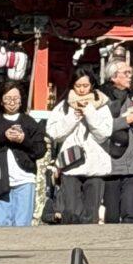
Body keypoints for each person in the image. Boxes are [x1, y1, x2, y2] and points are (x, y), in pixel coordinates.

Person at [0, 83, 47, 228]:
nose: (12, 102)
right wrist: (3, 136)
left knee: (22, 224)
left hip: (25, 179)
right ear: (1, 100)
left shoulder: (29, 122)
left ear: (21, 100)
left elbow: (40, 149)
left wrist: (23, 140)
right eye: (8, 99)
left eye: (15, 98)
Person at [46, 72, 113, 224]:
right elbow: (53, 133)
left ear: (92, 85)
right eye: (78, 86)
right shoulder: (63, 106)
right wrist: (73, 117)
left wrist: (89, 112)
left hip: (95, 165)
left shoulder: (102, 106)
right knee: (70, 211)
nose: (82, 90)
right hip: (71, 165)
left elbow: (104, 133)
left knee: (91, 213)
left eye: (85, 86)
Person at [102, 80, 133, 223]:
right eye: (125, 73)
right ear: (113, 76)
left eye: (130, 73)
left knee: (131, 213)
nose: (129, 77)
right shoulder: (103, 99)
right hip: (111, 161)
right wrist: (126, 120)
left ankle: (132, 242)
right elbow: (100, 127)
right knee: (111, 213)